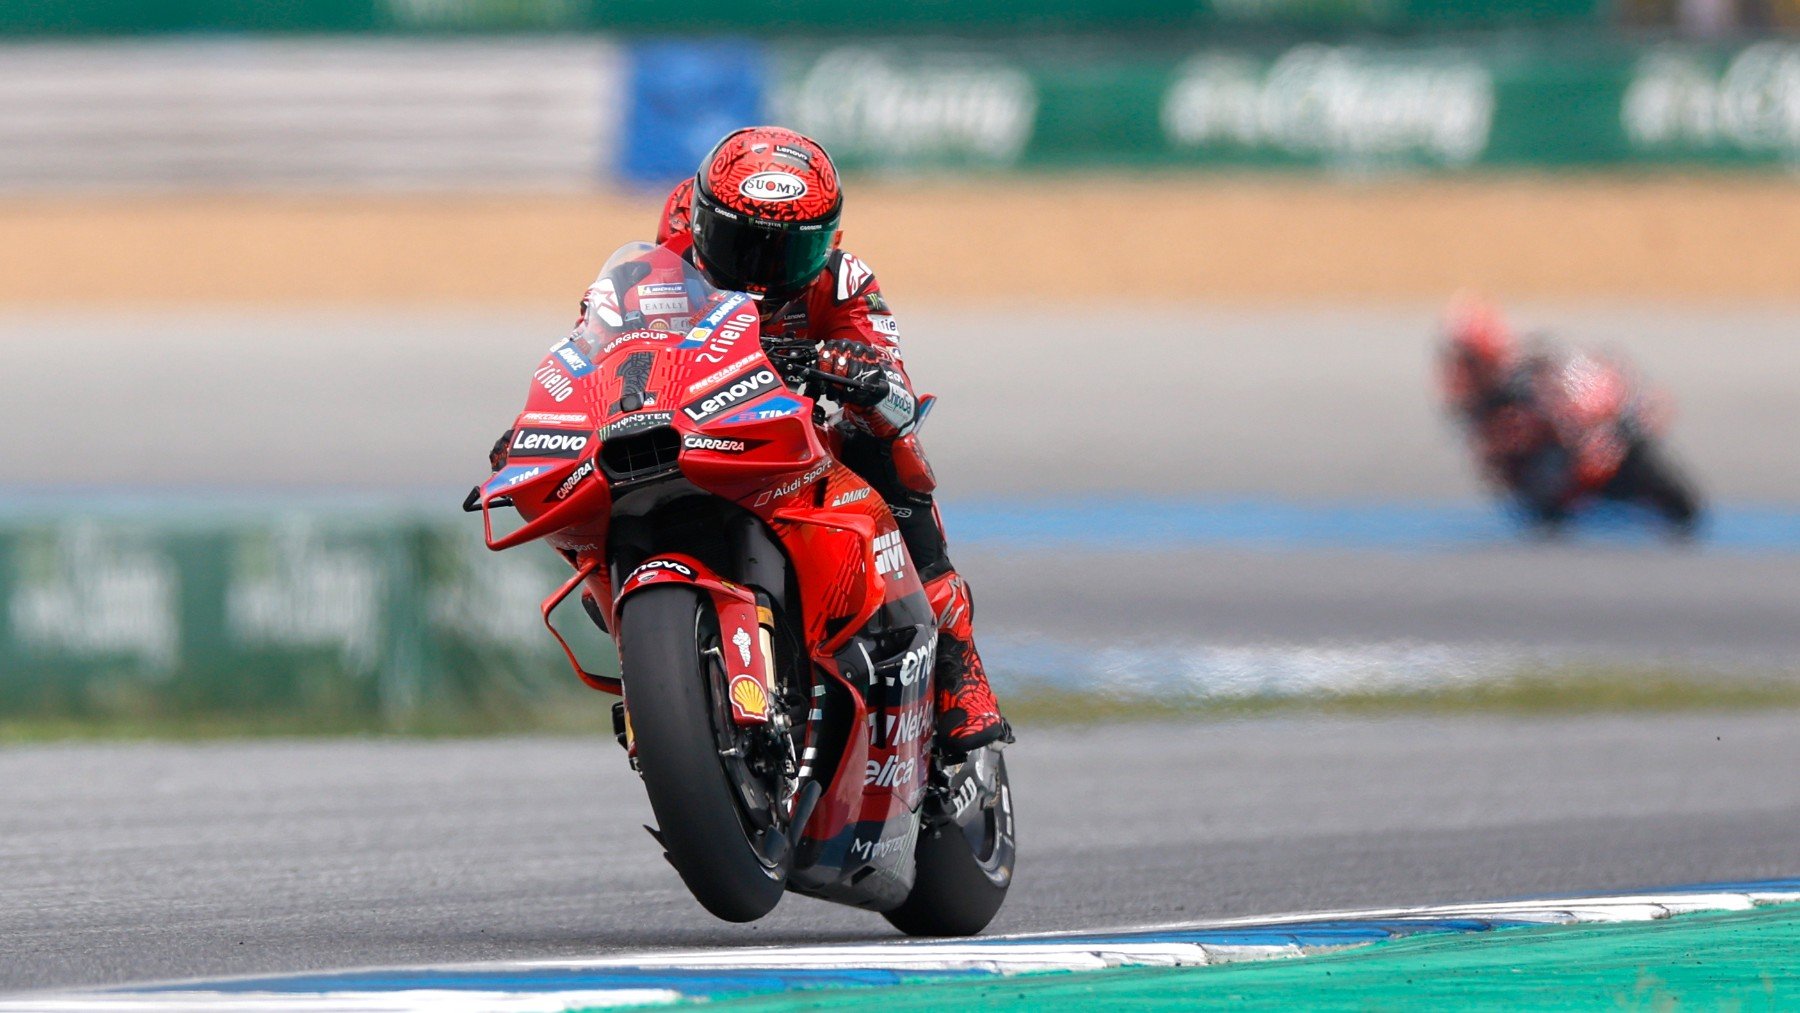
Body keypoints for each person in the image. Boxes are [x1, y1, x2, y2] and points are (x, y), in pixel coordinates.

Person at [655, 126, 1009, 752]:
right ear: (706, 225)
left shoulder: (846, 283)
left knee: (888, 450)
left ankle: (958, 666)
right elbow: (602, 344)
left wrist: (861, 378)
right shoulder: (664, 263)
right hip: (693, 429)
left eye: (787, 253)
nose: (762, 273)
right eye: (744, 245)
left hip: (795, 435)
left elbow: (898, 399)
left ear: (829, 243)